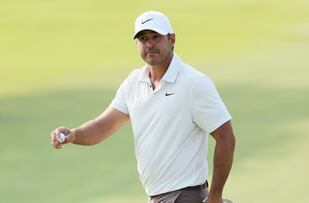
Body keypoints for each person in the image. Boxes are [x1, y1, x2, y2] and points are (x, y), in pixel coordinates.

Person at [51, 10, 236, 203]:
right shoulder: (134, 82)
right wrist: (73, 134)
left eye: (156, 37)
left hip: (185, 196)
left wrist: (215, 197)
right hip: (155, 197)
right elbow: (102, 126)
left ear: (171, 39)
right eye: (143, 38)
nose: (149, 44)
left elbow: (226, 138)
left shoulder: (194, 83)